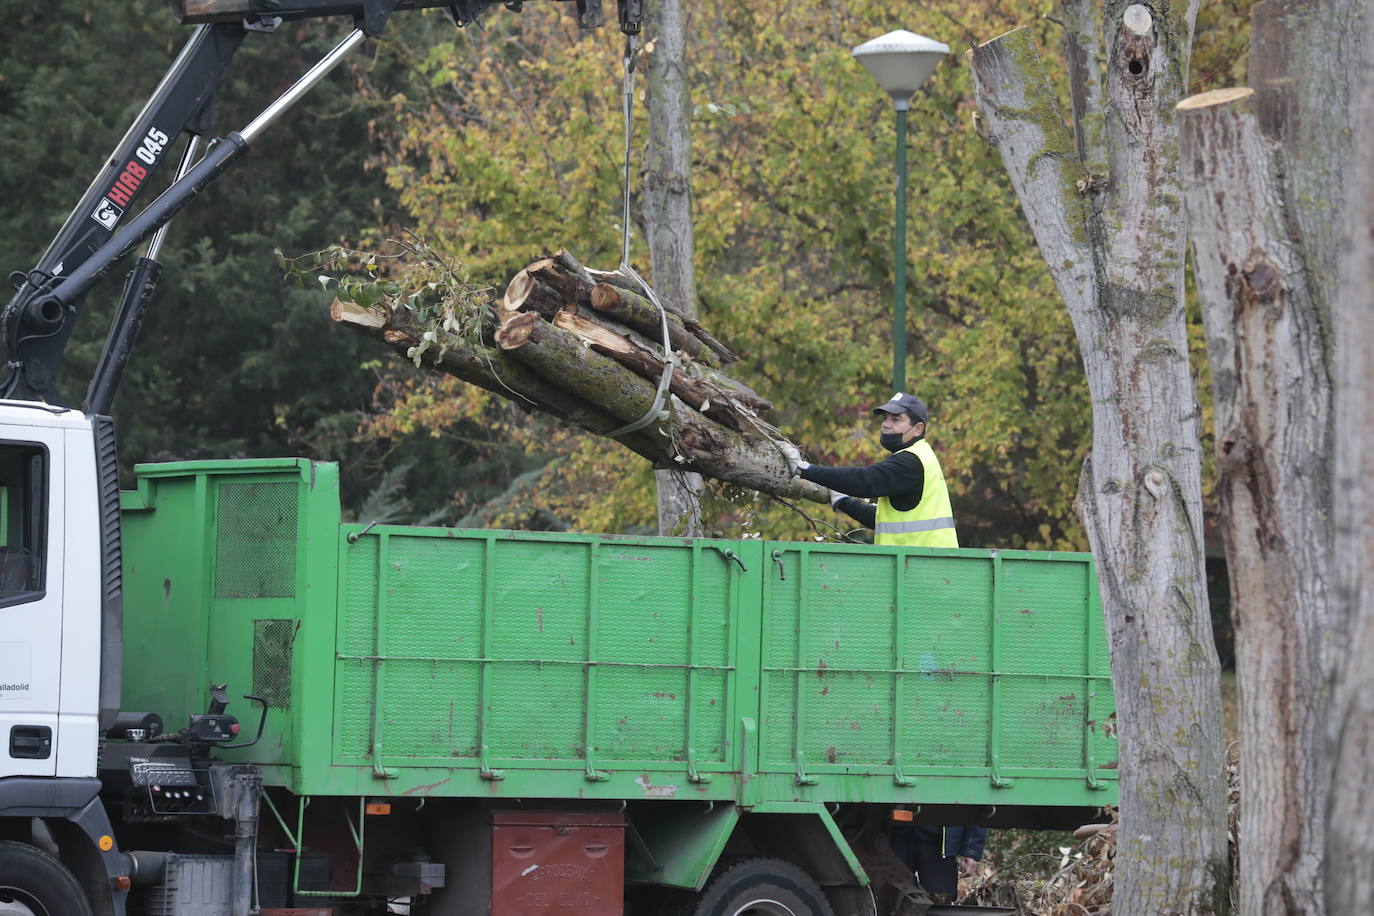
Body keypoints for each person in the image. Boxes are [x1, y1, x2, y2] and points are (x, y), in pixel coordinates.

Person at [780, 392, 958, 547]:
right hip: (926, 567)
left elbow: (865, 480)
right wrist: (843, 501)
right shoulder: (921, 456)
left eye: (896, 420)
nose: (886, 425)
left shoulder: (910, 461)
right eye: (885, 418)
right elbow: (883, 520)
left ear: (918, 428)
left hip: (924, 570)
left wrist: (805, 470)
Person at [890, 824, 988, 903]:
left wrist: (971, 850)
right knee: (890, 898)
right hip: (898, 831)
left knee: (940, 902)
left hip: (940, 842)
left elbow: (976, 805)